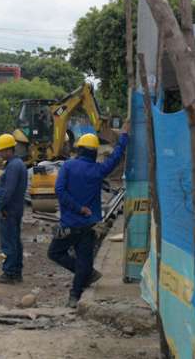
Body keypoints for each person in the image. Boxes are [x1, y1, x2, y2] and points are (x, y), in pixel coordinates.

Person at [48, 123, 129, 308]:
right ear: (93, 152)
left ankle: (85, 274)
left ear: (80, 149)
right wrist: (124, 137)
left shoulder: (68, 166)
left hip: (69, 223)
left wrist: (77, 208)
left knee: (55, 252)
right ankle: (75, 294)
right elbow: (116, 158)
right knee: (84, 259)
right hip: (89, 225)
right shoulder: (98, 170)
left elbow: (59, 191)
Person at [0, 134, 28, 284]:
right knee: (15, 241)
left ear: (8, 150)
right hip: (15, 209)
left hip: (8, 211)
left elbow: (8, 190)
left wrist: (0, 207)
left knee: (8, 242)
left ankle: (9, 273)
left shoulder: (13, 166)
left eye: (1, 151)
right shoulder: (18, 164)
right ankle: (16, 272)